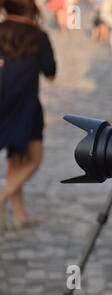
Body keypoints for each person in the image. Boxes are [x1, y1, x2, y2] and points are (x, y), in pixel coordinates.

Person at [0, 0, 56, 231]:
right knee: (34, 159)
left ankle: (20, 214)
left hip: (2, 103)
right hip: (26, 106)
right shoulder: (38, 35)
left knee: (16, 158)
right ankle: (2, 198)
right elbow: (50, 73)